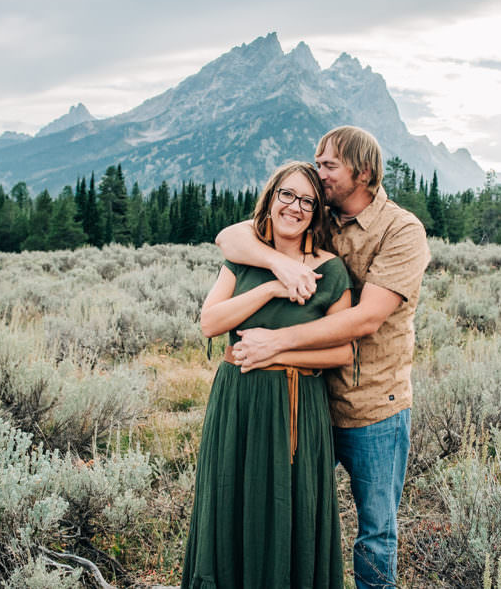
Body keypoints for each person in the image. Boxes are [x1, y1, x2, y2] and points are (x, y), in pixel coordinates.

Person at [217, 126, 431, 589]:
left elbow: (365, 321)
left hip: (372, 405)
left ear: (364, 173)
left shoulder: (401, 230)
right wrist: (279, 265)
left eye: (329, 165)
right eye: (317, 162)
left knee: (375, 533)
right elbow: (230, 238)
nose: (319, 173)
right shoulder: (322, 214)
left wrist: (277, 342)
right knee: (293, 513)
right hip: (309, 399)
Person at [182, 161, 354, 589]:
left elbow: (344, 350)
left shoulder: (330, 270)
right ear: (272, 198)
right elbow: (210, 322)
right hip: (237, 401)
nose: (295, 207)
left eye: (307, 201)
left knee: (286, 509)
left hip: (296, 407)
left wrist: (280, 345)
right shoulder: (243, 257)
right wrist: (275, 283)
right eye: (287, 195)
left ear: (316, 213)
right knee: (231, 503)